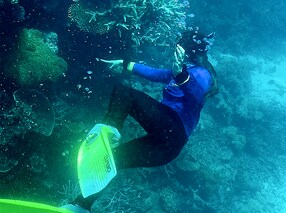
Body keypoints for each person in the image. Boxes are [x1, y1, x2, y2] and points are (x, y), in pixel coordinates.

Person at [61, 30, 219, 213]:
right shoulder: (183, 70)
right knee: (111, 160)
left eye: (180, 42)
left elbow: (196, 98)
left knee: (124, 92)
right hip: (168, 148)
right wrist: (124, 64)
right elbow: (155, 74)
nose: (176, 45)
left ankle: (109, 129)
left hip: (172, 127)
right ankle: (81, 205)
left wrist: (181, 75)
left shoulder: (201, 74)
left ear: (189, 48)